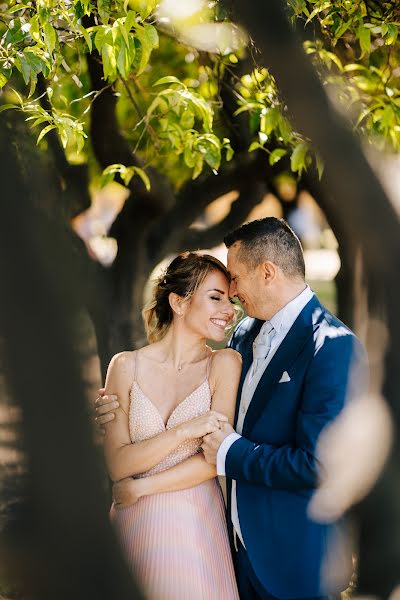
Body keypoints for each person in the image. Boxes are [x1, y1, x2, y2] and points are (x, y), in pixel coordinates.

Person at [97, 218, 366, 600]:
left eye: (236, 279)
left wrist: (229, 452)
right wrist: (116, 414)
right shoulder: (243, 336)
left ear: (267, 272)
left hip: (292, 559)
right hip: (233, 546)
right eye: (221, 291)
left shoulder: (333, 345)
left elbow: (317, 464)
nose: (233, 294)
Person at [99, 252, 241, 600]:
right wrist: (183, 431)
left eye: (231, 300)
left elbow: (212, 460)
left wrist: (143, 488)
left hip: (193, 526)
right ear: (178, 302)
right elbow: (118, 463)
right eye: (215, 297)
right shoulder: (125, 366)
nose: (230, 310)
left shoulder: (224, 364)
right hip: (134, 523)